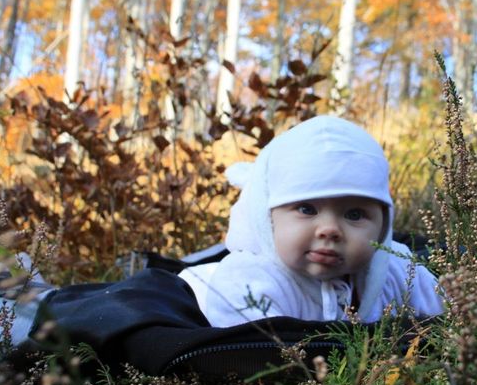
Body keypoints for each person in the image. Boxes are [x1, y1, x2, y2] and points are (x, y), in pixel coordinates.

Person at [179, 115, 444, 327]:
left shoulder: (398, 270)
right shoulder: (247, 283)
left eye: (354, 214)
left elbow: (450, 311)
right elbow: (254, 362)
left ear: (384, 224)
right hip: (196, 287)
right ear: (267, 217)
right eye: (306, 209)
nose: (329, 230)